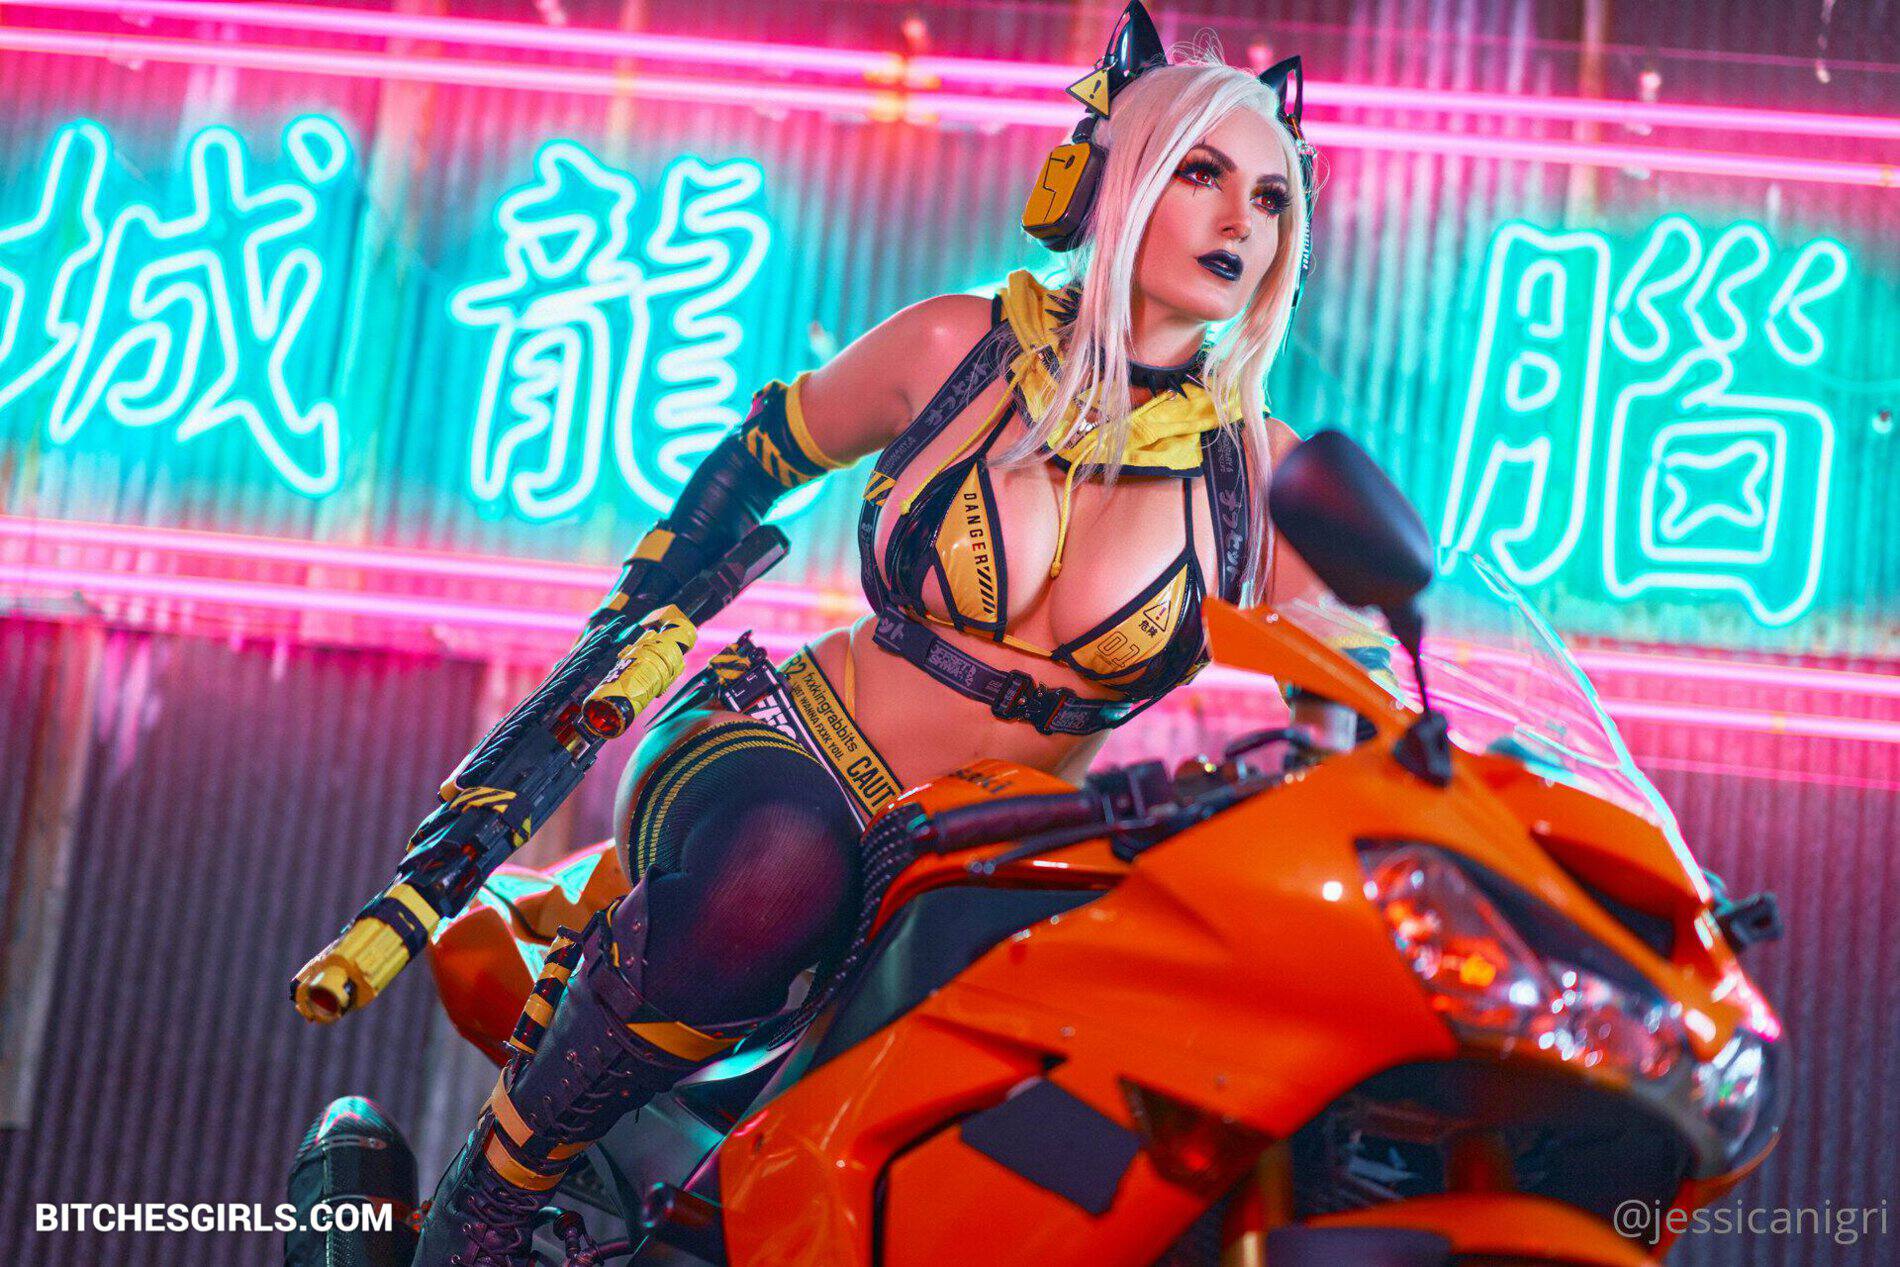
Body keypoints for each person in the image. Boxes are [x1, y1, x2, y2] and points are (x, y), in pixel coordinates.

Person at [414, 5, 1320, 1262]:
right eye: (1202, 174)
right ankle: (487, 1203)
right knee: (779, 868)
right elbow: (757, 458)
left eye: (1271, 199)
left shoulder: (1262, 477)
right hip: (784, 755)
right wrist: (640, 618)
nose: (1240, 222)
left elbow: (1359, 697)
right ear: (1114, 182)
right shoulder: (958, 347)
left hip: (975, 861)